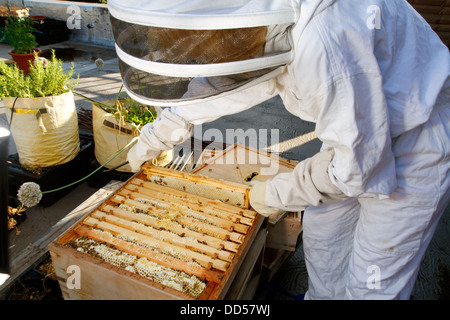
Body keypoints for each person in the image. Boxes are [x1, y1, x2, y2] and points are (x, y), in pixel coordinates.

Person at [109, 0, 450, 299]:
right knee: (323, 240)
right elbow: (225, 79)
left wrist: (276, 193)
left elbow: (355, 170)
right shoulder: (257, 20)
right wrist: (156, 136)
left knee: (372, 280)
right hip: (357, 127)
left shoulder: (323, 41)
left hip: (417, 137)